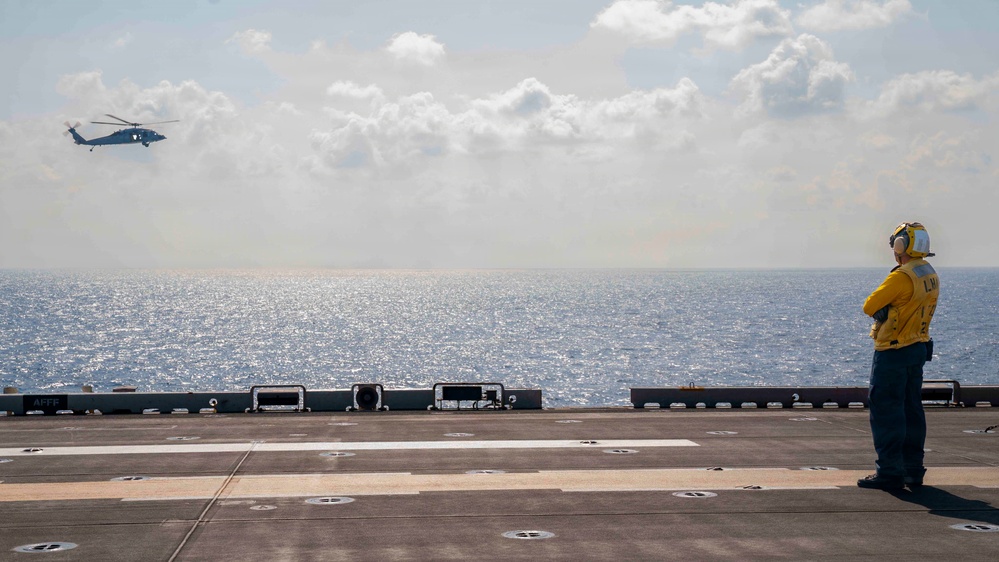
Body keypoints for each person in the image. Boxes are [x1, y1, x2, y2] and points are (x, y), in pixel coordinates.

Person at [858, 222, 940, 491]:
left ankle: (890, 472)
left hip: (893, 352)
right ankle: (913, 469)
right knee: (911, 409)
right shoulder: (928, 273)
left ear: (901, 245)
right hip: (917, 348)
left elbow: (870, 305)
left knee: (886, 412)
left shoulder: (902, 276)